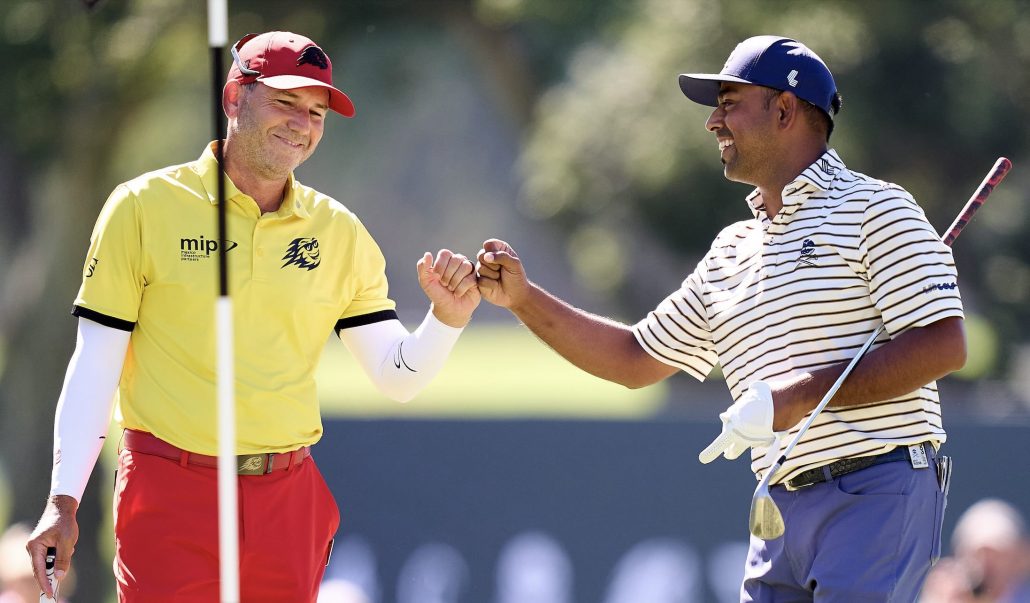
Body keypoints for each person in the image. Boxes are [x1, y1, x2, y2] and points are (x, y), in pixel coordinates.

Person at [477, 35, 966, 601]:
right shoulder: (733, 248)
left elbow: (942, 347)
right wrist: (523, 300)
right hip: (778, 506)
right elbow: (635, 359)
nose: (713, 122)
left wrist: (793, 398)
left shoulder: (876, 208)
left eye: (729, 102)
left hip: (875, 490)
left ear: (784, 109)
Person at [26, 31, 480, 602]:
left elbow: (397, 376)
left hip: (286, 498)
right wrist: (63, 499)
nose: (302, 124)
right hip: (170, 486)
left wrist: (446, 319)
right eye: (285, 102)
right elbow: (95, 362)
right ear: (235, 97)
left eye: (317, 112)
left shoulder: (339, 232)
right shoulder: (142, 206)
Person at [920, 498, 1030, 603]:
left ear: (1021, 559)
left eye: (998, 555)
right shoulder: (946, 595)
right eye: (978, 554)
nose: (988, 564)